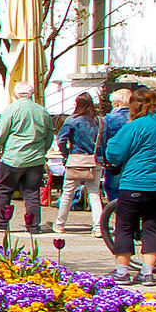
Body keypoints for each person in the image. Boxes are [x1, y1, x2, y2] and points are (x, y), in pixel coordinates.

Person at [102, 88, 156, 285]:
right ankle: (147, 272)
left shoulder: (134, 125)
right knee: (153, 226)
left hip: (136, 182)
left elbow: (114, 152)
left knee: (124, 227)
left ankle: (122, 272)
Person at [0, 82, 54, 234]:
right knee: (32, 193)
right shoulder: (42, 111)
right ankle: (33, 225)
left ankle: (1, 222)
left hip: (13, 156)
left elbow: (1, 132)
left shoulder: (12, 109)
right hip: (35, 158)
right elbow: (49, 135)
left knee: (4, 190)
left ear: (15, 94)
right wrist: (43, 150)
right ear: (31, 94)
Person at [53, 93, 105, 235]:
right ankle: (99, 227)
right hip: (95, 161)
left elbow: (61, 139)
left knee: (67, 193)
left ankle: (59, 224)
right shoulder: (100, 121)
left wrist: (65, 154)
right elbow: (104, 142)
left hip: (76, 159)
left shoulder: (72, 120)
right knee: (94, 194)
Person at [98, 88, 133, 201]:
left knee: (112, 188)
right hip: (134, 158)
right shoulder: (136, 118)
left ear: (117, 103)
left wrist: (104, 157)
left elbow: (103, 139)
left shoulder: (108, 119)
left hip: (115, 159)